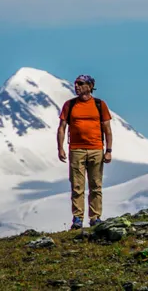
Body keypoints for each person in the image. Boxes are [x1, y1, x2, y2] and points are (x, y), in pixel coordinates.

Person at [56, 74, 113, 230]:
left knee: (96, 185)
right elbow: (62, 128)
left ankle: (95, 218)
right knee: (77, 186)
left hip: (96, 149)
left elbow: (107, 129)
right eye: (75, 83)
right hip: (76, 149)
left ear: (90, 86)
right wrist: (60, 148)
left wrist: (108, 150)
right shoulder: (70, 105)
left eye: (80, 83)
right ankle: (77, 218)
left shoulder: (100, 105)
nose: (76, 86)